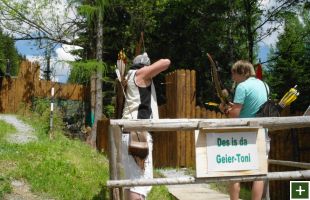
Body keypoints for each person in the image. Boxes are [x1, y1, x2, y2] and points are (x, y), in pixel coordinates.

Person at [121, 52, 171, 200]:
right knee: (140, 184)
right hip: (138, 132)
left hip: (129, 132)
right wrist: (148, 67)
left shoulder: (129, 76)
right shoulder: (141, 74)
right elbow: (165, 61)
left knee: (132, 182)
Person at [219, 60, 270, 200]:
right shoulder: (264, 85)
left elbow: (235, 115)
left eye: (233, 73)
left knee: (235, 171)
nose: (232, 77)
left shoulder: (242, 86)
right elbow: (252, 107)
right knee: (259, 173)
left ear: (241, 72)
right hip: (262, 132)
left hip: (244, 134)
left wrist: (224, 109)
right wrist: (232, 106)